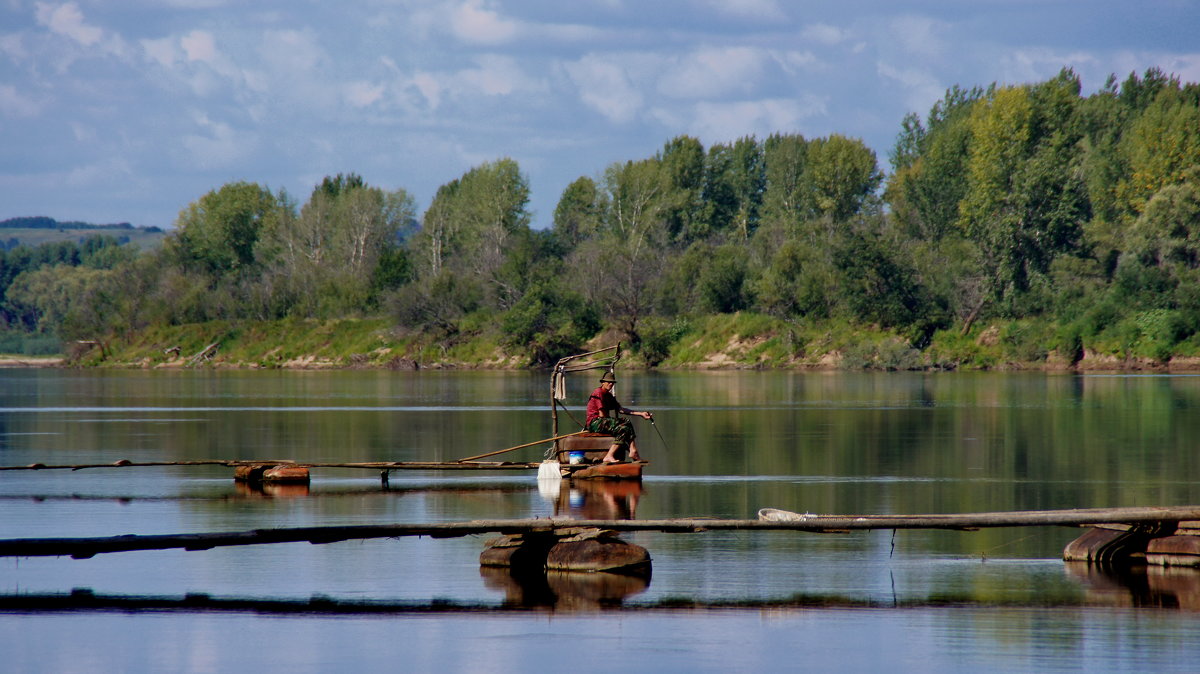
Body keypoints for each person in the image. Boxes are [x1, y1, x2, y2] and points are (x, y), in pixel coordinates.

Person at [585, 371, 652, 463]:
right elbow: (601, 414)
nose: (610, 384)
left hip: (604, 421)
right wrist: (615, 422)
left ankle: (630, 451)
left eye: (612, 382)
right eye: (608, 382)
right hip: (595, 422)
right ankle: (629, 451)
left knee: (625, 427)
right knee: (624, 422)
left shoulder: (609, 396)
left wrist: (641, 414)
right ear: (602, 383)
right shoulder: (598, 392)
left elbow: (620, 409)